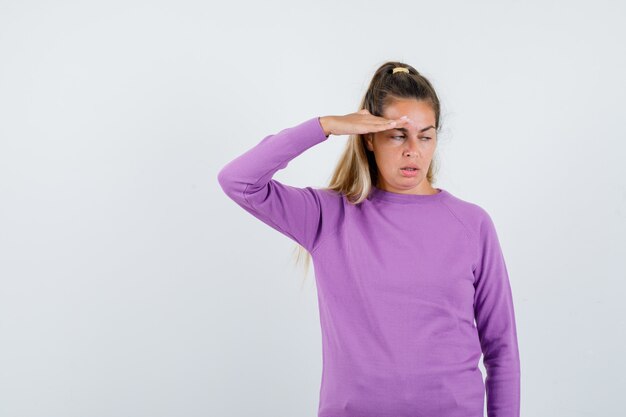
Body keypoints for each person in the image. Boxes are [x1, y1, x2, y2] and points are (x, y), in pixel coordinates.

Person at [217, 61, 521, 417]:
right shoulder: (327, 216)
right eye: (397, 135)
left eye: (425, 135)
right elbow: (238, 181)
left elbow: (501, 349)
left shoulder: (472, 224)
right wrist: (325, 126)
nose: (413, 150)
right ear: (370, 138)